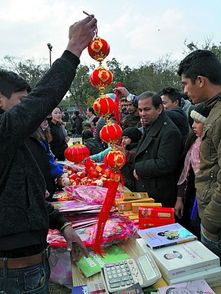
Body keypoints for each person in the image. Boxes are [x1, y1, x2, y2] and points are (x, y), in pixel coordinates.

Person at [0, 15, 97, 293]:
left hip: (32, 263)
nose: (30, 112)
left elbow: (26, 196)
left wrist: (63, 224)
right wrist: (73, 50)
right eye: (21, 103)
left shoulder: (17, 141)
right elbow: (44, 97)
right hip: (15, 274)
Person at [178, 49, 221, 257]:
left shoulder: (219, 117)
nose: (185, 91)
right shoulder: (213, 111)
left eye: (186, 84)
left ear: (201, 81)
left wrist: (210, 224)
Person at [133, 92, 182, 207]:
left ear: (159, 109)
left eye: (146, 109)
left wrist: (139, 168)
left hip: (159, 196)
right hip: (147, 190)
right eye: (140, 110)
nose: (142, 114)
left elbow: (165, 163)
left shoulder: (169, 132)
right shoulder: (151, 125)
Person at [174, 104, 210, 238]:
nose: (193, 126)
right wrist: (180, 198)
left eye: (198, 122)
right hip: (190, 198)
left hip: (205, 201)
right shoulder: (193, 142)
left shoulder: (211, 148)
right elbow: (185, 172)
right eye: (193, 121)